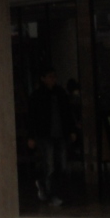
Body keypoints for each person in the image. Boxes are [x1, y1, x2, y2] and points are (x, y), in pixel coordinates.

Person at [27, 68, 76, 207]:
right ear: (43, 78)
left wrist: (71, 130)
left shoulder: (60, 93)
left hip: (60, 134)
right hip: (45, 135)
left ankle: (60, 192)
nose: (53, 79)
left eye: (54, 77)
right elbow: (32, 117)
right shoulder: (37, 95)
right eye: (50, 77)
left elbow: (67, 113)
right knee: (50, 165)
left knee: (63, 165)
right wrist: (31, 136)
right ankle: (51, 194)